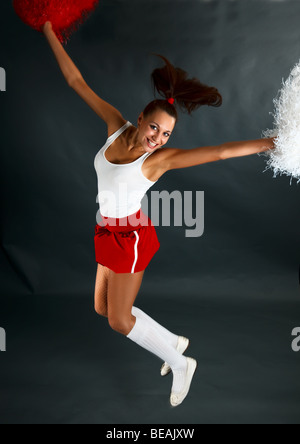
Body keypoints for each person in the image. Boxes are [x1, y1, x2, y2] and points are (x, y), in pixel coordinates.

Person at [42, 21, 275, 407]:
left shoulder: (158, 161)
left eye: (166, 135)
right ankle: (172, 341)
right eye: (155, 128)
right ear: (141, 117)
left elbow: (219, 151)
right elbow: (76, 81)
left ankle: (180, 361)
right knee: (101, 307)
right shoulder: (116, 127)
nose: (158, 139)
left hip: (130, 237)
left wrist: (272, 143)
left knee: (118, 320)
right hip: (106, 230)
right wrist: (48, 28)